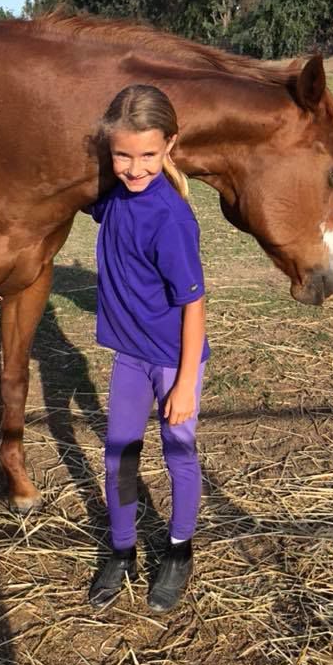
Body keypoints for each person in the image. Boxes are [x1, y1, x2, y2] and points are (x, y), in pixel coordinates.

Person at [85, 84, 209, 613]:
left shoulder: (171, 218)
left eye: (148, 156)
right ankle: (121, 550)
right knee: (119, 456)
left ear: (170, 147)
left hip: (171, 361)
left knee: (177, 450)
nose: (135, 169)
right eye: (122, 155)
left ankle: (179, 551)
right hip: (129, 358)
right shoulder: (113, 195)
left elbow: (195, 304)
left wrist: (183, 381)